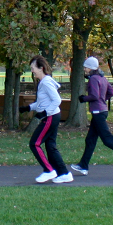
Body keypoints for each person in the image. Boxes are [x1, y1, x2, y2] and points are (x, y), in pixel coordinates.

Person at [70, 57, 113, 176]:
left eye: (86, 67)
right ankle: (83, 166)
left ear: (90, 68)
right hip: (102, 110)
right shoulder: (102, 78)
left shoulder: (93, 79)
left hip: (98, 112)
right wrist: (102, 100)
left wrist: (83, 98)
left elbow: (94, 96)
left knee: (107, 140)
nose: (84, 69)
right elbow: (111, 92)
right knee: (90, 139)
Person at [18, 55, 73, 183]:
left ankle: (49, 171)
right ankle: (64, 173)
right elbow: (42, 102)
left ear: (41, 68)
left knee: (35, 143)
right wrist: (28, 108)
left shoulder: (46, 82)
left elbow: (57, 100)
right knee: (50, 146)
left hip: (51, 117)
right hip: (53, 115)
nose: (32, 71)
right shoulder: (44, 82)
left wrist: (44, 114)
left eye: (33, 68)